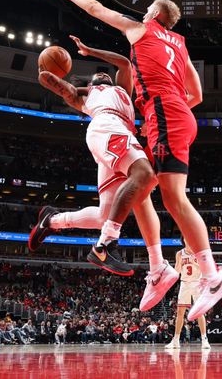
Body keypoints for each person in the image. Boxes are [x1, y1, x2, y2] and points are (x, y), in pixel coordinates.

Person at [45, 0, 222, 320]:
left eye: (148, 9)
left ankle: (212, 276)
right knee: (141, 187)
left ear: (156, 15)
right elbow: (198, 94)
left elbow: (95, 6)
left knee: (174, 199)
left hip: (165, 114)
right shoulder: (180, 44)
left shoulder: (144, 29)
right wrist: (159, 118)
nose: (143, 12)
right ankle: (158, 267)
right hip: (175, 114)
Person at [29, 36, 178, 311]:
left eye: (103, 74)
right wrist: (49, 72)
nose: (101, 73)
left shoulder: (123, 88)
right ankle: (107, 246)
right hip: (106, 127)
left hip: (119, 134)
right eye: (96, 76)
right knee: (145, 176)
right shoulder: (87, 96)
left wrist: (89, 49)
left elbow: (123, 62)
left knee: (108, 213)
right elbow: (51, 82)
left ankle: (52, 220)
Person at [165, 237, 210, 349]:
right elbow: (177, 271)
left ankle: (204, 340)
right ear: (183, 240)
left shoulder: (199, 252)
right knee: (180, 313)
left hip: (197, 283)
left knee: (199, 312)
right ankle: (175, 340)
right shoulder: (180, 254)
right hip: (185, 283)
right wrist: (167, 268)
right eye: (186, 237)